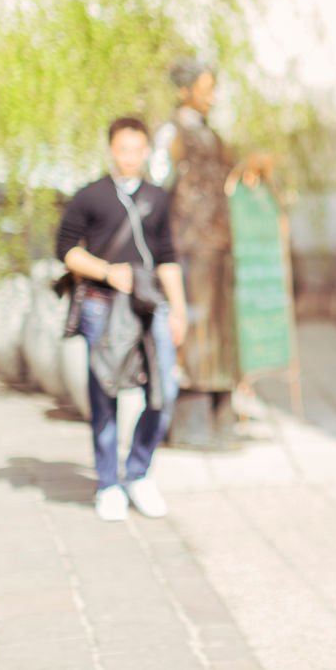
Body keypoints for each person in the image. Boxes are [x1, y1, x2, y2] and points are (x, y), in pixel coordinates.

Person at [57, 116, 187, 521]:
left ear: (146, 151)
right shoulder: (89, 196)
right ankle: (108, 483)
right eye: (123, 149)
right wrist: (108, 271)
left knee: (163, 391)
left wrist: (179, 309)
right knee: (105, 394)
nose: (130, 157)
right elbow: (66, 251)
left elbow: (167, 256)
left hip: (151, 305)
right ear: (111, 150)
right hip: (103, 304)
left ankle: (139, 473)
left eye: (137, 150)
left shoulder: (159, 197)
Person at [149, 58, 241, 448]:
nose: (213, 97)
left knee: (219, 333)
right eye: (207, 89)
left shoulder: (214, 137)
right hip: (187, 248)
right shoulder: (170, 134)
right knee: (195, 331)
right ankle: (191, 421)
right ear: (185, 91)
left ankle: (219, 413)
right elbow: (155, 190)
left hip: (217, 249)